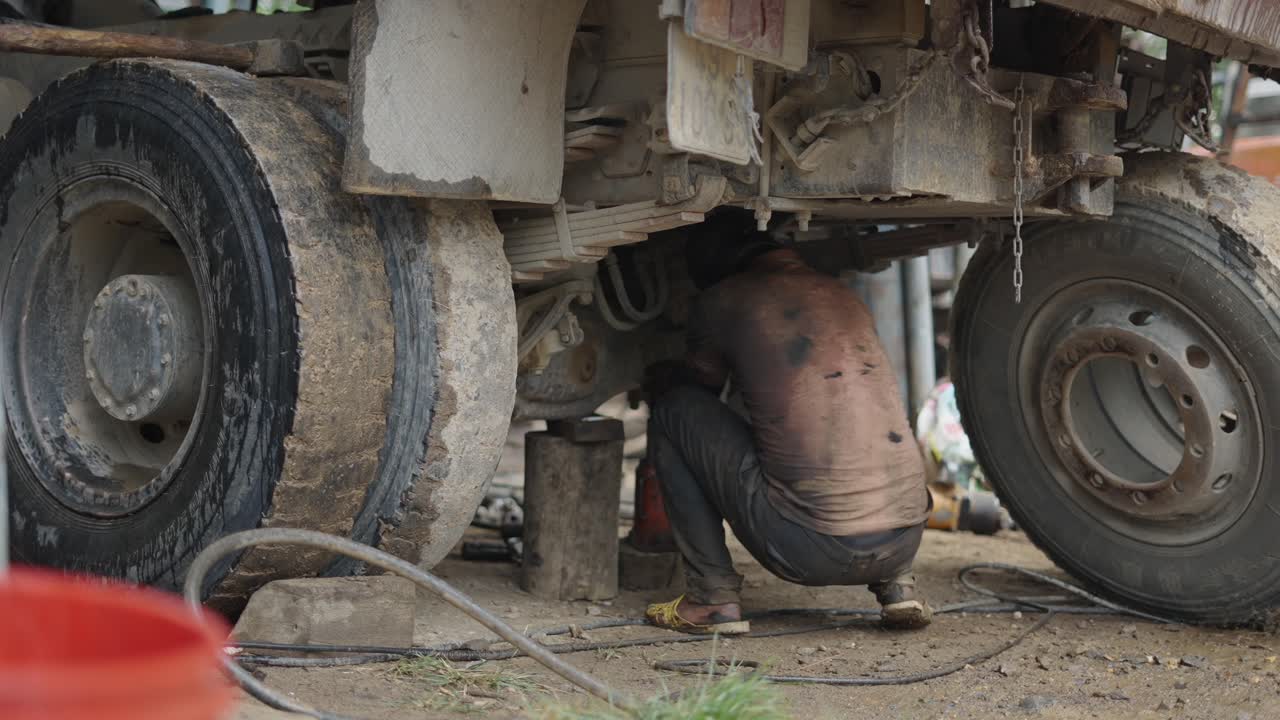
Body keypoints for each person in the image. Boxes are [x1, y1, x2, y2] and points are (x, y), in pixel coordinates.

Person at [643, 214, 932, 635]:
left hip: (808, 549)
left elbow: (701, 388)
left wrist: (660, 377)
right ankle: (897, 587)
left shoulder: (725, 298)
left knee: (674, 410)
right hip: (906, 539)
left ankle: (711, 600)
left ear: (715, 266)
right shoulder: (845, 296)